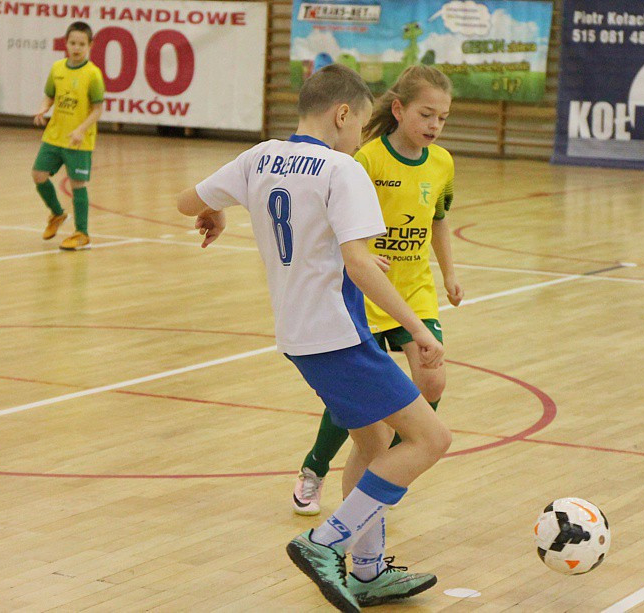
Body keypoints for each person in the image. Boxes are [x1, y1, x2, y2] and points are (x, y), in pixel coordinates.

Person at [176, 64, 452, 612]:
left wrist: (215, 210)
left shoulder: (258, 157)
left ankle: (369, 571)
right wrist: (420, 328)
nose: (362, 137)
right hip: (338, 333)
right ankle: (325, 542)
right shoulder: (342, 170)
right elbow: (360, 265)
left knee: (372, 444)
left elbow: (187, 202)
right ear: (342, 114)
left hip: (297, 333)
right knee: (431, 439)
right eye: (362, 125)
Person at [293, 64, 462, 517]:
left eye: (443, 118)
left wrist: (449, 274)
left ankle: (391, 465)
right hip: (366, 293)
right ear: (399, 109)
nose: (435, 125)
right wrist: (363, 256)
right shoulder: (366, 159)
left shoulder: (442, 163)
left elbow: (439, 220)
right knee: (356, 399)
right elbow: (337, 222)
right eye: (426, 114)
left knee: (433, 377)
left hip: (415, 291)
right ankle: (314, 468)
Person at [32, 21, 104, 251]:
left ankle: (82, 233)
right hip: (55, 135)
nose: (76, 48)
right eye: (72, 43)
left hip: (79, 141)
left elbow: (98, 109)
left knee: (77, 184)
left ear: (90, 45)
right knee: (38, 174)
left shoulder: (93, 74)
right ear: (66, 43)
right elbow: (50, 95)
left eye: (81, 44)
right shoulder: (57, 69)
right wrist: (43, 108)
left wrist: (80, 130)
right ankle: (57, 213)